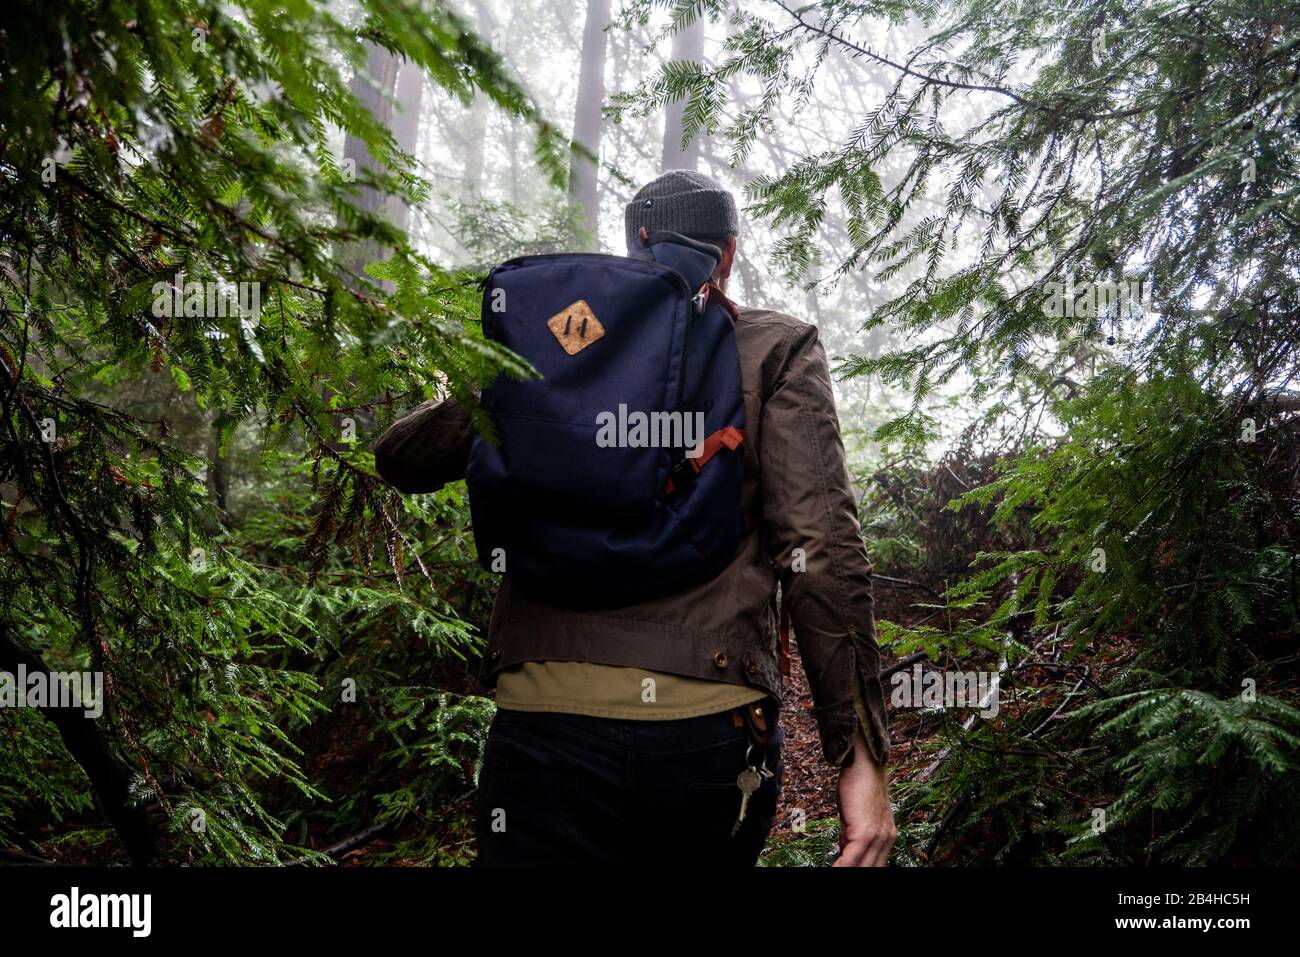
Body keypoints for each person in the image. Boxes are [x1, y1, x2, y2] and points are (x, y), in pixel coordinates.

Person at [372, 169, 895, 867]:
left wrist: (498, 376)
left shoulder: (554, 353)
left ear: (630, 249)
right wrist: (859, 756)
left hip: (542, 720)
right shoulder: (774, 347)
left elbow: (400, 457)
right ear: (728, 254)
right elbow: (821, 548)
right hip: (710, 728)